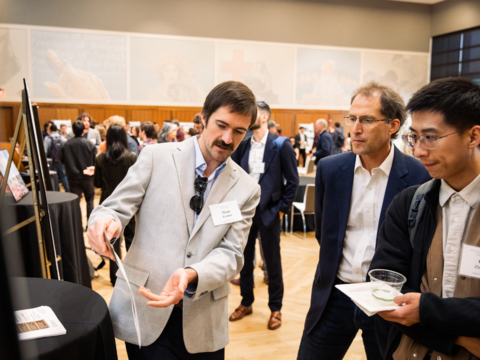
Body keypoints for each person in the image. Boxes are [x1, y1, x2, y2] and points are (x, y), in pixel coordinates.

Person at [87, 81, 260, 360]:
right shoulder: (156, 157)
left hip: (203, 319)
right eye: (221, 125)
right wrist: (105, 221)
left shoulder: (248, 189)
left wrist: (191, 275)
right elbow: (114, 208)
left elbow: (232, 255)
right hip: (146, 306)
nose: (228, 138)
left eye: (239, 131)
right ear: (202, 118)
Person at [297, 81, 431, 360]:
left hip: (387, 299)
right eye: (352, 118)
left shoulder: (419, 176)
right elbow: (324, 233)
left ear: (393, 126)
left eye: (367, 120)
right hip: (335, 295)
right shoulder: (330, 169)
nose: (355, 129)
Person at [370, 78, 480, 360]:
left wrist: (425, 311)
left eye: (430, 137)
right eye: (414, 137)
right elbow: (390, 295)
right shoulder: (409, 204)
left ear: (473, 136)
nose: (418, 151)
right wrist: (460, 337)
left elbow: (415, 309)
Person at [229, 100, 299, 330]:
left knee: (273, 262)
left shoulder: (281, 144)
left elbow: (293, 181)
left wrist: (281, 209)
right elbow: (234, 176)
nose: (249, 116)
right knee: (245, 262)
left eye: (254, 113)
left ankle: (275, 309)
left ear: (265, 117)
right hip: (245, 214)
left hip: (270, 212)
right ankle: (246, 302)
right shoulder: (244, 144)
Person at [93, 124, 137, 285]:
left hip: (108, 204)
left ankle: (115, 278)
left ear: (108, 137)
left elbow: (97, 183)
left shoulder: (100, 158)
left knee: (112, 243)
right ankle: (133, 278)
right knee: (132, 240)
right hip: (130, 204)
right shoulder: (132, 157)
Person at [59, 120, 97, 222]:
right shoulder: (90, 144)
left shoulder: (66, 144)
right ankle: (90, 224)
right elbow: (95, 160)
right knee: (90, 200)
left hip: (72, 177)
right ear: (84, 131)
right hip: (87, 177)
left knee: (76, 202)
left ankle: (77, 225)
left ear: (72, 130)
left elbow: (61, 159)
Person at [44, 123, 69, 192]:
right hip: (61, 160)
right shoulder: (62, 138)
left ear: (50, 130)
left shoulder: (48, 138)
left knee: (53, 177)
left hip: (51, 160)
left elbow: (45, 150)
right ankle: (68, 190)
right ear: (57, 130)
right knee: (63, 176)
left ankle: (56, 192)